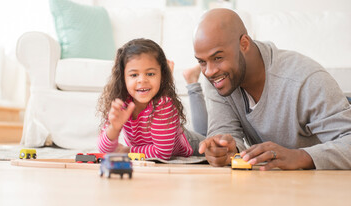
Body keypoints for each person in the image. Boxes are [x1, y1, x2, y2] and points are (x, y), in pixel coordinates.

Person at [189, 8, 351, 170]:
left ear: (244, 44)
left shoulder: (305, 79)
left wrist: (300, 156)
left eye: (218, 57)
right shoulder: (219, 78)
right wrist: (225, 150)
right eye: (202, 62)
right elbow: (225, 133)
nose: (209, 71)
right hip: (271, 186)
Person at [97, 38, 204, 160]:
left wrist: (128, 151)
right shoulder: (121, 102)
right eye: (134, 75)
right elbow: (105, 150)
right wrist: (114, 128)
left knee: (209, 138)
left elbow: (162, 153)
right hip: (163, 141)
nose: (142, 80)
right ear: (123, 78)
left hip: (189, 142)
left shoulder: (163, 104)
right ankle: (192, 80)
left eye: (150, 74)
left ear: (162, 76)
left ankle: (193, 83)